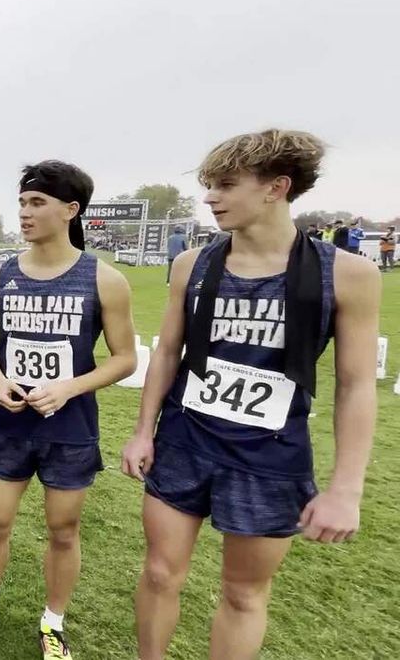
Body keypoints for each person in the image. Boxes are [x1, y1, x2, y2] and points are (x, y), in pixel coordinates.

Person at [121, 129, 378, 660]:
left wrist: (345, 490)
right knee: (160, 572)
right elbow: (168, 352)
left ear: (275, 187)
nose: (211, 197)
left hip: (270, 458)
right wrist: (143, 431)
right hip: (185, 444)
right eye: (209, 185)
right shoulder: (193, 264)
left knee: (243, 593)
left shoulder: (347, 274)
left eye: (226, 184)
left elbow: (354, 386)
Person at [0, 161, 136, 659]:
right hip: (8, 424)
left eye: (37, 204)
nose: (25, 213)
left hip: (69, 429)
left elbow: (124, 359)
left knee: (63, 529)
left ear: (71, 210)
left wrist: (70, 387)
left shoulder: (105, 280)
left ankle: (53, 623)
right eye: (23, 203)